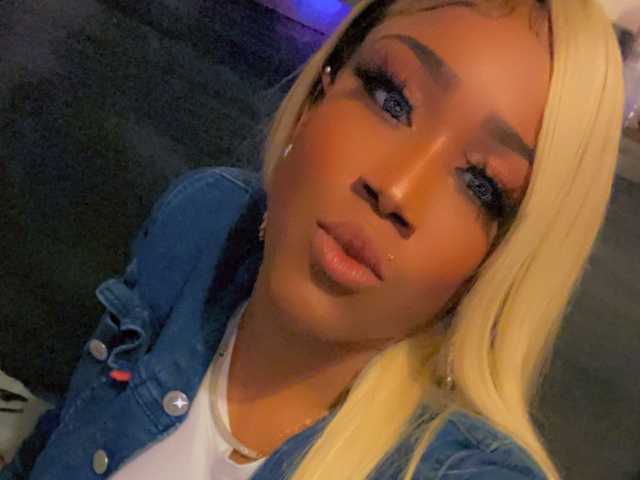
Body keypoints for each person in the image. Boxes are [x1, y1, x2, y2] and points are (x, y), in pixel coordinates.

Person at [0, 0, 623, 479]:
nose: (397, 190)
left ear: (502, 260)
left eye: (481, 184)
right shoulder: (204, 226)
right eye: (392, 99)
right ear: (318, 96)